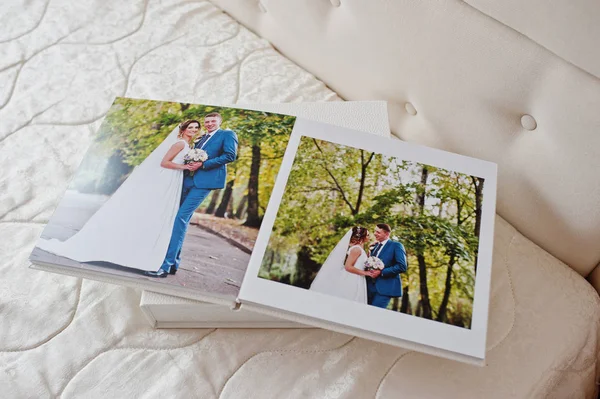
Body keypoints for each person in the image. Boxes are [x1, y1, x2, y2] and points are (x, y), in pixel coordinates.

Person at [37, 120, 199, 272]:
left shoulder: (188, 145)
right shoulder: (180, 143)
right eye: (190, 127)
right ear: (183, 129)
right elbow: (164, 162)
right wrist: (185, 166)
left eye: (196, 128)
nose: (193, 130)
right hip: (168, 176)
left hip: (174, 178)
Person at [146, 112, 238, 277]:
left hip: (205, 183)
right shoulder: (201, 139)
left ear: (220, 122)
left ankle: (164, 266)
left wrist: (203, 164)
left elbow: (230, 155)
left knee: (180, 217)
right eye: (207, 121)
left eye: (213, 121)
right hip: (187, 180)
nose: (209, 123)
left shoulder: (227, 134)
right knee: (179, 219)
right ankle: (174, 263)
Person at [309, 226, 375, 303]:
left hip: (357, 277)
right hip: (352, 278)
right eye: (367, 235)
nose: (369, 236)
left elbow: (359, 263)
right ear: (362, 237)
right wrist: (365, 273)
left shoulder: (360, 249)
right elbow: (348, 267)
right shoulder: (356, 249)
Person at [366, 223, 407, 309]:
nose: (375, 234)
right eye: (374, 231)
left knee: (374, 314)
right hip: (368, 287)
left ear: (387, 234)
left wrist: (381, 272)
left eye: (378, 232)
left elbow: (402, 266)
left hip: (385, 288)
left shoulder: (396, 246)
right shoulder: (374, 246)